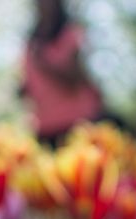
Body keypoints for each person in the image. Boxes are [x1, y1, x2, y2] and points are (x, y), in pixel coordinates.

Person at [21, 0, 105, 146]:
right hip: (45, 127)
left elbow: (75, 79)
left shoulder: (70, 34)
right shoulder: (31, 43)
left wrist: (45, 65)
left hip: (77, 124)